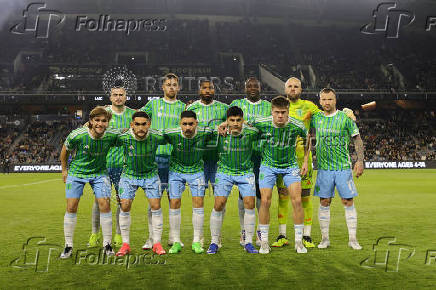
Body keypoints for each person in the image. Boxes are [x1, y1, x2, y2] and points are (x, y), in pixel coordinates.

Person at [59, 106, 120, 259]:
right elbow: (64, 151)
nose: (100, 123)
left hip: (99, 174)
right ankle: (68, 245)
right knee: (71, 206)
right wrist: (64, 170)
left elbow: (126, 133)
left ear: (108, 123)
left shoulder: (111, 135)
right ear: (91, 121)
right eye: (97, 120)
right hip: (77, 173)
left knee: (105, 205)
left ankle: (107, 244)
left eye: (104, 121)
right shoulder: (77, 135)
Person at [253, 96, 309, 254]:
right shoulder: (262, 122)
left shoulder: (297, 125)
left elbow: (307, 139)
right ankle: (264, 242)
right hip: (268, 166)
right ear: (272, 112)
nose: (280, 116)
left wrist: (305, 161)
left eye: (283, 112)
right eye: (277, 112)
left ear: (288, 111)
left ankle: (299, 242)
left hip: (290, 166)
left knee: (297, 201)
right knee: (265, 201)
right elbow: (245, 126)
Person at [310, 88, 364, 250]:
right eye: (324, 99)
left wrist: (360, 160)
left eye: (330, 99)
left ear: (335, 101)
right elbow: (303, 130)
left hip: (342, 168)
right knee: (324, 201)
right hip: (324, 169)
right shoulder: (315, 118)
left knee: (347, 201)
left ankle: (353, 239)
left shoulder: (345, 117)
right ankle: (325, 239)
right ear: (320, 101)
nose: (327, 102)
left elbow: (357, 139)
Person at [140, 73, 186, 249]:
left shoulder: (183, 107)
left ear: (179, 87)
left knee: (174, 199)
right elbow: (138, 117)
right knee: (155, 199)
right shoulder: (153, 104)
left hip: (175, 160)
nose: (172, 87)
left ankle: (174, 237)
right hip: (155, 159)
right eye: (168, 84)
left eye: (175, 84)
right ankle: (152, 238)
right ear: (163, 87)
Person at [207, 106, 260, 254]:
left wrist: (249, 123)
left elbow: (261, 127)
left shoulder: (251, 132)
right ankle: (214, 241)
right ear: (227, 121)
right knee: (219, 204)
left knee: (250, 203)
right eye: (232, 120)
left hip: (245, 172)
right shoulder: (219, 133)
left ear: (243, 120)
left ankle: (248, 242)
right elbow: (204, 129)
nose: (235, 123)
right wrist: (219, 126)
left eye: (238, 120)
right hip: (224, 172)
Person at [114, 111, 167, 256]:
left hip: (150, 175)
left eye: (144, 124)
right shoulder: (123, 138)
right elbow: (105, 136)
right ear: (132, 125)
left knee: (156, 206)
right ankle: (125, 244)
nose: (141, 127)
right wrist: (88, 125)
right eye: (137, 124)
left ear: (149, 124)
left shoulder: (157, 136)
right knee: (124, 206)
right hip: (129, 175)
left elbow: (174, 135)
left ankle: (156, 243)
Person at [89, 86, 136, 248]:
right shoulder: (102, 113)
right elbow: (87, 129)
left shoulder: (133, 114)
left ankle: (118, 234)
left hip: (124, 166)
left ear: (126, 97)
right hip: (103, 165)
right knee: (99, 201)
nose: (118, 98)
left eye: (121, 95)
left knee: (122, 201)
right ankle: (95, 233)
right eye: (115, 95)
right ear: (110, 97)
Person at [164, 110, 214, 254]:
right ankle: (176, 241)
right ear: (180, 124)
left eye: (191, 124)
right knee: (174, 202)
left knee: (198, 203)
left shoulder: (205, 132)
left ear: (196, 123)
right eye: (184, 124)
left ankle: (196, 241)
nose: (187, 128)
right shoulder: (171, 133)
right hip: (176, 171)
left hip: (196, 171)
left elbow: (219, 130)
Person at [229, 77, 271, 246]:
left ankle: (261, 231)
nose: (253, 88)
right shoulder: (237, 104)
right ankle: (244, 231)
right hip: (243, 155)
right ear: (244, 88)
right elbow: (227, 120)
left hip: (263, 156)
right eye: (249, 86)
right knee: (243, 194)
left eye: (256, 86)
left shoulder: (268, 106)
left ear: (260, 88)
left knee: (262, 195)